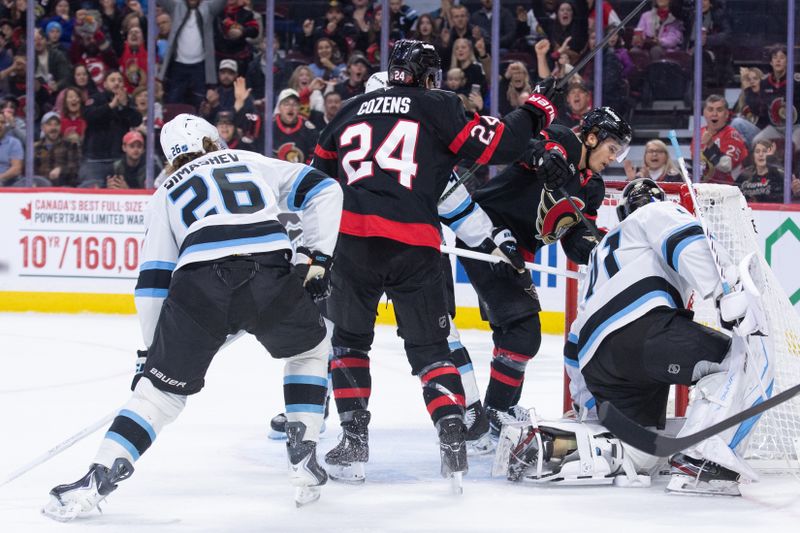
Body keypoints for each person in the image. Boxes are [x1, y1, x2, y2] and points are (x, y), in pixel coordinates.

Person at [42, 113, 343, 520]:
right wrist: (316, 255)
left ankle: (97, 479)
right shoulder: (247, 159)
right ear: (213, 139)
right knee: (311, 349)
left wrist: (150, 357)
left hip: (200, 287)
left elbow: (151, 284)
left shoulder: (165, 189)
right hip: (270, 275)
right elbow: (325, 189)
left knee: (159, 395)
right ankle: (303, 451)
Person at [311, 39, 559, 486]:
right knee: (431, 351)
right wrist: (536, 111)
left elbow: (317, 185)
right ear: (428, 76)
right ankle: (451, 432)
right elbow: (499, 145)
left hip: (353, 245)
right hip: (415, 245)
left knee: (347, 345)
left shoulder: (347, 110)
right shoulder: (436, 105)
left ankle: (352, 444)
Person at [549, 178, 767, 495]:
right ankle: (701, 460)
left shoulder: (602, 254)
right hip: (641, 331)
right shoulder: (656, 211)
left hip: (598, 363)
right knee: (736, 359)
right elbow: (685, 238)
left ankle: (563, 447)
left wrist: (588, 406)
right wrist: (724, 292)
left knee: (643, 448)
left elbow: (575, 339)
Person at [458, 108, 630, 439]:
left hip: (515, 251)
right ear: (592, 138)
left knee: (517, 333)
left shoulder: (592, 187)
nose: (614, 157)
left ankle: (497, 411)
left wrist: (593, 247)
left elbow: (573, 238)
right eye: (612, 148)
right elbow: (521, 144)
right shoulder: (564, 139)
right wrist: (543, 154)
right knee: (523, 331)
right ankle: (494, 414)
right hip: (485, 232)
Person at [159, 0, 227, 108]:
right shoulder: (176, 6)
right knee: (173, 101)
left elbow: (222, 2)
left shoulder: (208, 8)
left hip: (199, 66)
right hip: (178, 65)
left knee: (200, 102)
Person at [79, 70, 142, 186]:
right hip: (95, 159)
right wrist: (110, 106)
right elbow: (88, 115)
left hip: (118, 159)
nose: (117, 83)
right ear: (105, 84)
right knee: (92, 190)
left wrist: (124, 107)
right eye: (113, 80)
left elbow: (137, 120)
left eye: (120, 80)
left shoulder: (128, 101)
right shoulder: (96, 99)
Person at [696, 94, 748, 184]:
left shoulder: (732, 135)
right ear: (704, 113)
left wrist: (710, 145)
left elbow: (726, 166)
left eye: (719, 110)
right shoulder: (699, 133)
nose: (714, 114)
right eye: (710, 109)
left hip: (727, 190)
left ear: (726, 114)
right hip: (703, 188)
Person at [33, 111, 82, 186]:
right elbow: (31, 170)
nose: (53, 128)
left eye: (56, 124)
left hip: (65, 187)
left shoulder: (69, 145)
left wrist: (61, 169)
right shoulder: (37, 147)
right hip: (41, 187)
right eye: (49, 124)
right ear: (42, 127)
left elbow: (75, 167)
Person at [737, 139, 791, 203]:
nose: (761, 154)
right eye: (757, 151)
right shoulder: (744, 175)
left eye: (765, 151)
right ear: (753, 155)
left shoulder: (779, 174)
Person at [272, 88, 318, 164]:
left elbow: (314, 157)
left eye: (295, 104)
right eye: (286, 104)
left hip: (300, 173)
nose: (291, 108)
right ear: (279, 107)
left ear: (299, 108)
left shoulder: (309, 129)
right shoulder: (269, 127)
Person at [0, 109, 23, 186]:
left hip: (8, 183)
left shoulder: (14, 143)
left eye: (2, 122)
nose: (0, 125)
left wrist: (0, 178)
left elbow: (16, 169)